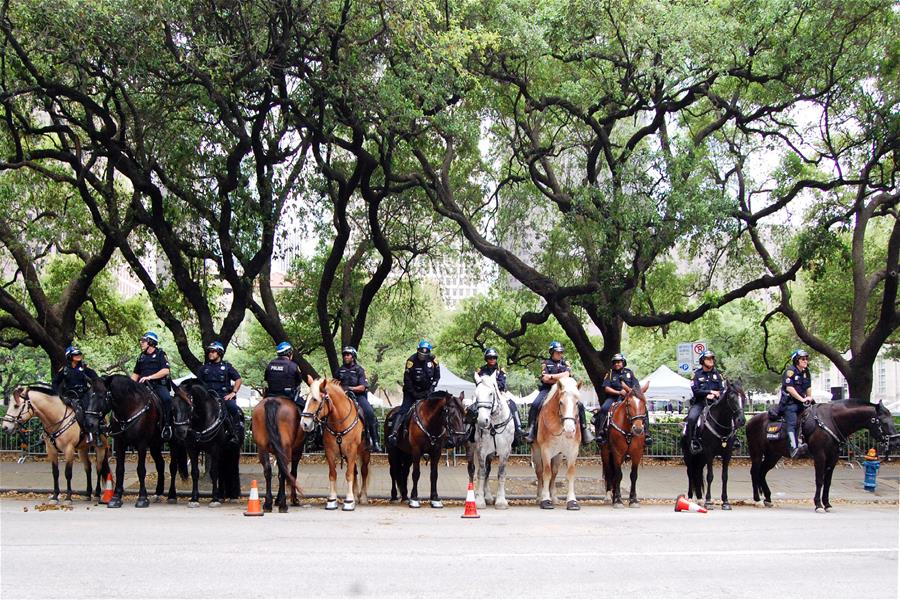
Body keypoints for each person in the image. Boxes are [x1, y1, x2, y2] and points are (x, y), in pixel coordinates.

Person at [523, 341, 594, 444]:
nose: (560, 354)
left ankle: (584, 429)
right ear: (552, 352)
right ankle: (531, 429)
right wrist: (559, 377)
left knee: (580, 405)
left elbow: (566, 375)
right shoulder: (545, 363)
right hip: (547, 389)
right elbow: (545, 379)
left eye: (561, 352)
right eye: (558, 352)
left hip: (564, 390)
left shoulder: (566, 363)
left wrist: (552, 376)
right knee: (535, 404)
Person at [387, 340, 440, 447]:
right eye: (421, 353)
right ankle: (394, 433)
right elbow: (407, 379)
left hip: (427, 392)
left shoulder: (434, 361)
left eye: (425, 353)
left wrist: (431, 389)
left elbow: (436, 377)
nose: (423, 355)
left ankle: (439, 436)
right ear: (417, 351)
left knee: (435, 412)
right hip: (411, 392)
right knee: (404, 410)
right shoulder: (411, 361)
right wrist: (414, 393)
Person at [596, 353, 652, 446]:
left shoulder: (629, 373)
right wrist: (618, 392)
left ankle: (646, 433)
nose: (617, 364)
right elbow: (606, 388)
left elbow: (636, 386)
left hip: (629, 397)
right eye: (615, 362)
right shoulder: (610, 374)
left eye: (619, 362)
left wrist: (630, 392)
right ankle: (601, 433)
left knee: (644, 410)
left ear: (623, 362)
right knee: (604, 408)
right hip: (614, 397)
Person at [335, 346, 383, 453]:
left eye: (348, 354)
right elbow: (334, 384)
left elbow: (363, 387)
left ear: (353, 356)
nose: (345, 357)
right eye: (344, 355)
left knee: (370, 413)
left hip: (358, 396)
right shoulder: (339, 370)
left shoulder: (359, 370)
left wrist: (349, 388)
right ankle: (320, 438)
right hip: (342, 397)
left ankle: (375, 442)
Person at [472, 348, 524, 444]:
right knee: (473, 408)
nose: (492, 360)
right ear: (486, 359)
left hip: (500, 393)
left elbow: (502, 383)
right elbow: (478, 383)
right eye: (489, 358)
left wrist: (491, 385)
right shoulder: (481, 370)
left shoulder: (501, 370)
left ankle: (518, 429)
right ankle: (471, 432)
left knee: (512, 404)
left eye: (494, 358)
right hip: (485, 395)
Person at [196, 341, 244, 445]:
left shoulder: (227, 367)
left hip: (223, 397)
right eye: (209, 351)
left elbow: (238, 379)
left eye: (213, 351)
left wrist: (233, 392)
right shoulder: (204, 368)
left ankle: (234, 434)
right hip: (207, 398)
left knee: (233, 407)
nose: (210, 354)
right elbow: (197, 383)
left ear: (220, 353)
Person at [131, 331, 174, 441]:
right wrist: (129, 386)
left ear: (151, 342)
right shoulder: (141, 357)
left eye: (144, 341)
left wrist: (149, 377)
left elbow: (165, 371)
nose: (141, 343)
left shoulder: (160, 354)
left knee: (167, 399)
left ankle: (167, 426)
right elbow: (136, 374)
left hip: (158, 386)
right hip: (142, 387)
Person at [52, 346, 98, 442]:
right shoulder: (64, 370)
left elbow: (95, 377)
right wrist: (58, 395)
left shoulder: (84, 367)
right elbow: (55, 382)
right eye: (75, 354)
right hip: (69, 396)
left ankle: (93, 433)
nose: (78, 356)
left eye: (79, 354)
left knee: (88, 411)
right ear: (70, 356)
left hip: (83, 395)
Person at [686, 350, 724, 455]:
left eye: (712, 358)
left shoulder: (718, 375)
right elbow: (695, 390)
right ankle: (693, 440)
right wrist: (708, 392)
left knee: (729, 415)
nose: (711, 360)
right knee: (692, 418)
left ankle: (733, 440)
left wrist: (718, 393)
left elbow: (722, 389)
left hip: (715, 403)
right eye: (708, 359)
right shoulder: (696, 375)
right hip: (700, 403)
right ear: (703, 361)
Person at [778, 349, 812, 458]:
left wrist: (809, 397)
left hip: (802, 403)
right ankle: (793, 447)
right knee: (792, 423)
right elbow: (790, 388)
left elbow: (808, 387)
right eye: (803, 359)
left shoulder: (806, 372)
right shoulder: (790, 371)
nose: (805, 361)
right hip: (790, 403)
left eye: (806, 359)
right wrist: (801, 399)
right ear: (796, 360)